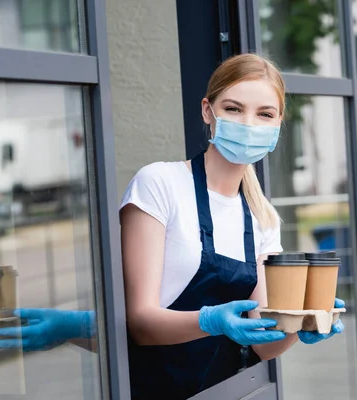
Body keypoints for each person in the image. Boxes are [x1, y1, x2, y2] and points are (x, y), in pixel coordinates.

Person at [119, 53, 345, 400]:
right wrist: (209, 321)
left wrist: (302, 324)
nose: (250, 124)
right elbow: (139, 324)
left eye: (265, 114)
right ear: (208, 111)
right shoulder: (159, 184)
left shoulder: (262, 216)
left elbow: (263, 342)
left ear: (278, 123)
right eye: (234, 109)